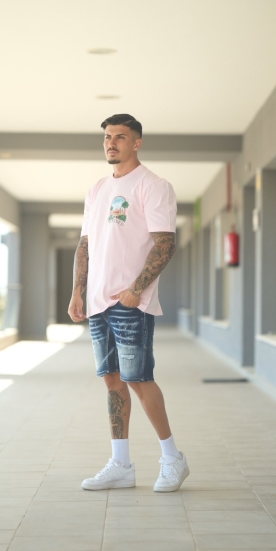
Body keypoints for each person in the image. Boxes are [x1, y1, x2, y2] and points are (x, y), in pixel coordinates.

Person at [68, 113, 189, 492]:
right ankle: (121, 465)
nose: (111, 143)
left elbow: (165, 243)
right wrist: (77, 291)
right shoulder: (97, 189)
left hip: (130, 301)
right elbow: (85, 244)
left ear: (136, 142)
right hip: (97, 301)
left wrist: (136, 288)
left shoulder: (153, 185)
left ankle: (173, 459)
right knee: (112, 380)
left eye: (120, 137)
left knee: (138, 379)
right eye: (107, 137)